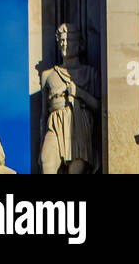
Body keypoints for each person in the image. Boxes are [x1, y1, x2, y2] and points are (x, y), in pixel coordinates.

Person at [39, 22, 98, 174]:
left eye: (69, 40)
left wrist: (79, 93)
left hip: (79, 122)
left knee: (76, 170)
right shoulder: (48, 75)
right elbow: (43, 114)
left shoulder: (89, 73)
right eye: (62, 40)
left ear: (78, 44)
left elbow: (100, 107)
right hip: (55, 122)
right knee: (47, 161)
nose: (65, 44)